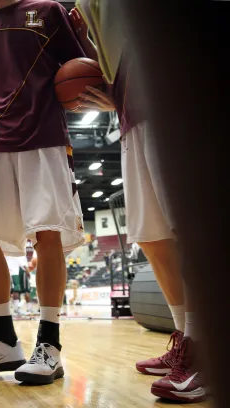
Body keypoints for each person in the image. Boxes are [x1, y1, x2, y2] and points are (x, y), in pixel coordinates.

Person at [0, 0, 90, 385]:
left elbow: (82, 74)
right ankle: (3, 339)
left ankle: (50, 345)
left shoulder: (49, 10)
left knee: (47, 234)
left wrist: (86, 43)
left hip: (44, 138)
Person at [83, 46, 204, 402]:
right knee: (152, 236)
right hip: (131, 119)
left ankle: (204, 353)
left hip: (174, 107)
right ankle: (185, 340)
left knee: (187, 233)